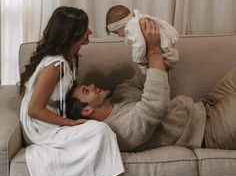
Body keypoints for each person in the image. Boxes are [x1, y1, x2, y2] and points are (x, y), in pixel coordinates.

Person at [66, 18, 236, 152]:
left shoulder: (120, 94)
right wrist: (153, 49)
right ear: (86, 110)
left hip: (207, 105)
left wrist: (144, 42)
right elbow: (155, 106)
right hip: (210, 129)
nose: (92, 85)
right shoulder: (120, 130)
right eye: (86, 91)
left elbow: (145, 77)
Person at [20, 6, 124, 176]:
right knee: (100, 130)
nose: (90, 31)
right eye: (85, 29)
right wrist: (71, 123)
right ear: (72, 34)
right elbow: (34, 110)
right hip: (38, 126)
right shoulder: (55, 66)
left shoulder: (69, 59)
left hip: (49, 120)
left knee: (100, 130)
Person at [105, 5, 179, 72]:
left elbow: (139, 44)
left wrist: (138, 59)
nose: (119, 36)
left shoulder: (131, 27)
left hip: (163, 49)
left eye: (117, 33)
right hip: (164, 47)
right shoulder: (138, 19)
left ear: (121, 25)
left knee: (152, 69)